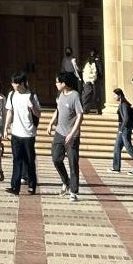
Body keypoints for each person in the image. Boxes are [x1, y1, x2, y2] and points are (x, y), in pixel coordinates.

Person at [49, 70, 84, 201]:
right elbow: (58, 110)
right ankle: (66, 181)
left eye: (57, 82)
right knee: (56, 159)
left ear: (64, 83)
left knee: (73, 163)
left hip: (72, 136)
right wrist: (51, 122)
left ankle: (73, 192)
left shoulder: (75, 96)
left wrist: (73, 133)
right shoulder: (61, 95)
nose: (56, 84)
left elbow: (80, 116)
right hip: (59, 132)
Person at [5, 73, 41, 195]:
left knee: (30, 160)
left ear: (20, 84)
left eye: (14, 83)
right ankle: (15, 186)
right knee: (17, 160)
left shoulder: (31, 96)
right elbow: (10, 112)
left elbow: (38, 114)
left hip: (29, 134)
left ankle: (32, 185)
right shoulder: (11, 95)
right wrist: (6, 128)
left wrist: (32, 108)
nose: (12, 85)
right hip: (16, 133)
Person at [111, 87, 133, 172]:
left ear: (120, 95)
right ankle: (116, 167)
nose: (114, 97)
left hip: (124, 129)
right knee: (117, 147)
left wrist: (121, 129)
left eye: (115, 95)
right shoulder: (121, 104)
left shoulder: (124, 104)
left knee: (129, 148)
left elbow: (126, 118)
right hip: (121, 128)